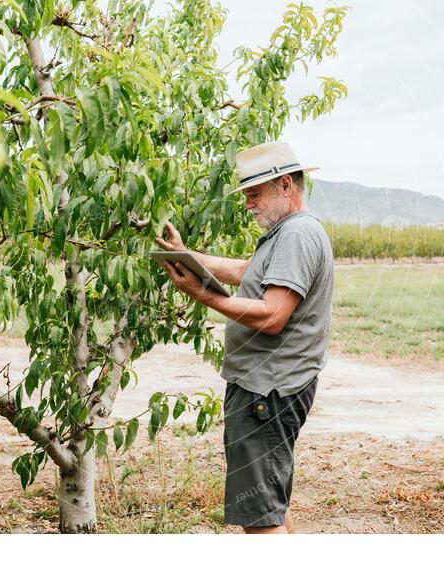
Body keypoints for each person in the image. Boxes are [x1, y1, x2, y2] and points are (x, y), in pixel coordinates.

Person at [155, 141, 334, 534]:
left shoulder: (296, 235)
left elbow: (272, 316)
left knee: (258, 518)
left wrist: (203, 295)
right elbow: (243, 270)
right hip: (271, 388)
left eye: (255, 194)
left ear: (285, 185)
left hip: (266, 393)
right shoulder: (288, 232)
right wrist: (188, 255)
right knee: (270, 503)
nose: (249, 204)